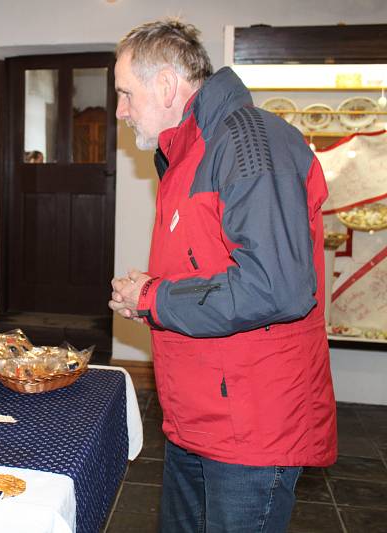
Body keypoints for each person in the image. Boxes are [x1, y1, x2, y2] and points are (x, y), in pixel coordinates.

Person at [108, 19, 336, 532]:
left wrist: (154, 298)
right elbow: (209, 266)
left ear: (166, 85)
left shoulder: (248, 141)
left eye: (125, 93)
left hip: (251, 427)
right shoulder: (188, 150)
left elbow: (278, 287)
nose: (120, 110)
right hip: (199, 416)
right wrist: (149, 291)